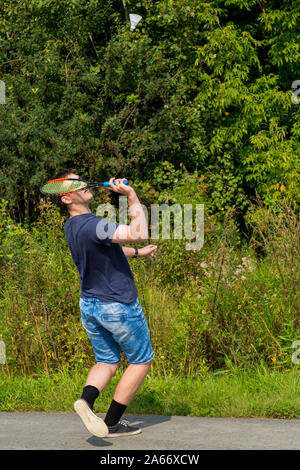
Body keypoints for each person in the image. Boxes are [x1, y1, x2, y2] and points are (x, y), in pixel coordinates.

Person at [52, 168, 157, 438]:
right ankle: (111, 422)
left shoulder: (74, 226)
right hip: (118, 306)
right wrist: (131, 196)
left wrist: (136, 253)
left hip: (90, 306)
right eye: (77, 183)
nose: (85, 184)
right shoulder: (93, 224)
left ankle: (85, 401)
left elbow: (109, 248)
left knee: (107, 361)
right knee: (141, 360)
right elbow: (139, 232)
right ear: (65, 198)